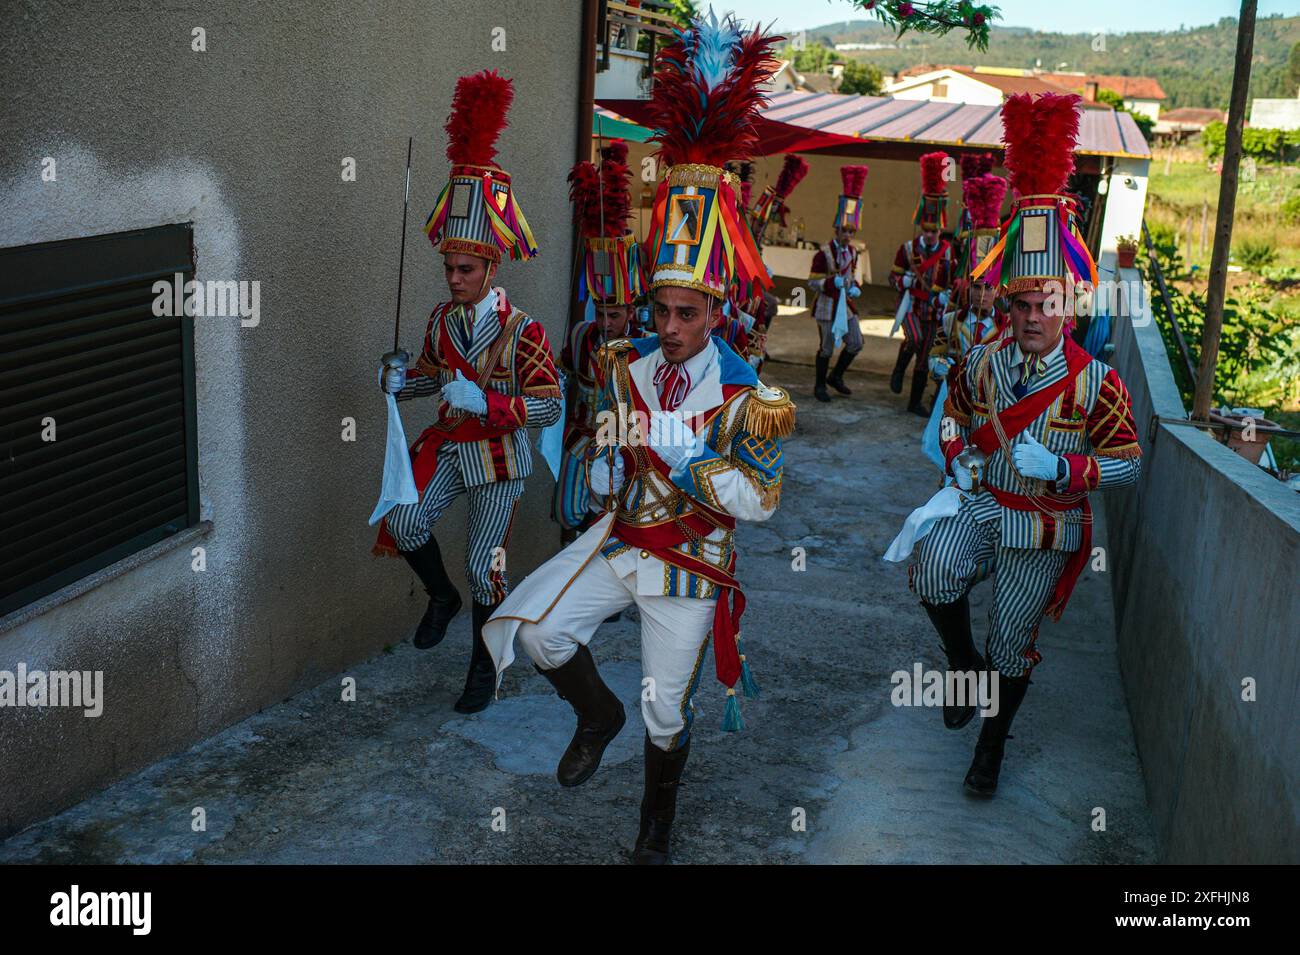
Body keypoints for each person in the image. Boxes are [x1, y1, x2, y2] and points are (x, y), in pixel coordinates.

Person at [482, 12, 794, 864]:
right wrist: (596, 455)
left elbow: (762, 503)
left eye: (686, 313)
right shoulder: (624, 363)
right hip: (622, 539)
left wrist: (701, 466)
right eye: (660, 309)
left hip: (690, 563)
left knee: (667, 708)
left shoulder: (748, 394)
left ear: (717, 312)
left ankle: (653, 834)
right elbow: (609, 438)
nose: (669, 325)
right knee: (537, 632)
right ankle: (595, 713)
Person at [905, 92, 1142, 797]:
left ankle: (992, 744)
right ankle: (961, 663)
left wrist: (1068, 465)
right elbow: (954, 417)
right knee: (930, 569)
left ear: (1068, 305)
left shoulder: (1098, 381)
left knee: (1015, 642)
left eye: (1047, 303)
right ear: (1006, 304)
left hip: (1045, 522)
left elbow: (1130, 461)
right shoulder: (981, 360)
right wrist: (959, 459)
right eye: (1021, 303)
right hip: (985, 501)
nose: (1033, 315)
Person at [375, 69, 561, 715]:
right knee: (401, 519)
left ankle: (485, 667)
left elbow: (552, 404)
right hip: (454, 447)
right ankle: (441, 598)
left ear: (491, 266)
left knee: (487, 564)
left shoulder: (523, 330)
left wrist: (496, 404)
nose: (453, 277)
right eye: (449, 267)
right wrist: (401, 383)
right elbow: (431, 373)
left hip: (502, 460)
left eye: (466, 268)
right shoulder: (440, 319)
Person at [555, 139, 645, 545]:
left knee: (616, 517)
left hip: (625, 445)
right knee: (568, 513)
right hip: (581, 439)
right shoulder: (579, 336)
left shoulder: (646, 349)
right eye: (600, 312)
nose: (606, 322)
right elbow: (560, 376)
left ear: (631, 311)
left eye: (615, 314)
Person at [889, 151, 954, 416]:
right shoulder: (907, 248)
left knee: (926, 357)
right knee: (914, 338)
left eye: (934, 231)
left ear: (940, 231)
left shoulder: (948, 250)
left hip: (934, 310)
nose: (929, 235)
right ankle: (898, 368)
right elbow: (892, 277)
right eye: (926, 230)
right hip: (912, 306)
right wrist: (903, 279)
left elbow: (951, 280)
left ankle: (914, 402)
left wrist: (946, 294)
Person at [808, 165, 869, 402]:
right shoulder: (823, 253)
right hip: (826, 305)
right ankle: (819, 385)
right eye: (844, 230)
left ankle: (836, 376)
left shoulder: (853, 252)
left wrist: (855, 286)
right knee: (826, 348)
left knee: (856, 342)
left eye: (851, 230)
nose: (847, 234)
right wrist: (831, 282)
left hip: (845, 306)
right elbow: (812, 282)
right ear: (836, 229)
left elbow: (853, 277)